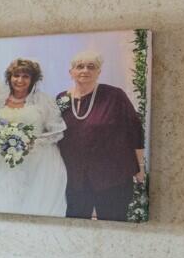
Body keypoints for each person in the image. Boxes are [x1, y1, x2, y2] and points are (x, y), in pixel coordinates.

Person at [56, 49, 147, 220]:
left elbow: (134, 130)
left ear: (99, 72)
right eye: (80, 66)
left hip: (112, 176)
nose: (85, 70)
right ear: (71, 72)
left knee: (114, 223)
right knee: (76, 223)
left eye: (91, 67)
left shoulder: (114, 95)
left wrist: (140, 166)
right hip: (74, 178)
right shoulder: (62, 99)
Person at [0, 58, 69, 216]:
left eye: (26, 76)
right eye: (16, 75)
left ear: (33, 80)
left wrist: (33, 141)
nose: (20, 80)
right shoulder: (0, 99)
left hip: (37, 159)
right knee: (5, 198)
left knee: (32, 201)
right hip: (5, 158)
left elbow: (57, 131)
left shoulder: (43, 101)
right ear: (10, 77)